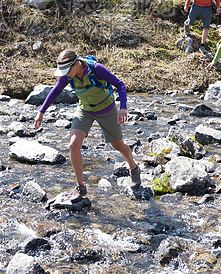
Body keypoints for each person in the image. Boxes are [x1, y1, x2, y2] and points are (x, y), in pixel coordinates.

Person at [34, 49, 141, 202]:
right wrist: (41, 111)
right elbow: (55, 91)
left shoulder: (96, 69)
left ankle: (134, 168)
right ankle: (80, 186)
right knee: (73, 144)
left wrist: (123, 107)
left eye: (67, 70)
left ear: (77, 63)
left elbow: (120, 84)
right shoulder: (67, 76)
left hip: (106, 109)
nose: (65, 74)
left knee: (118, 145)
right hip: (85, 110)